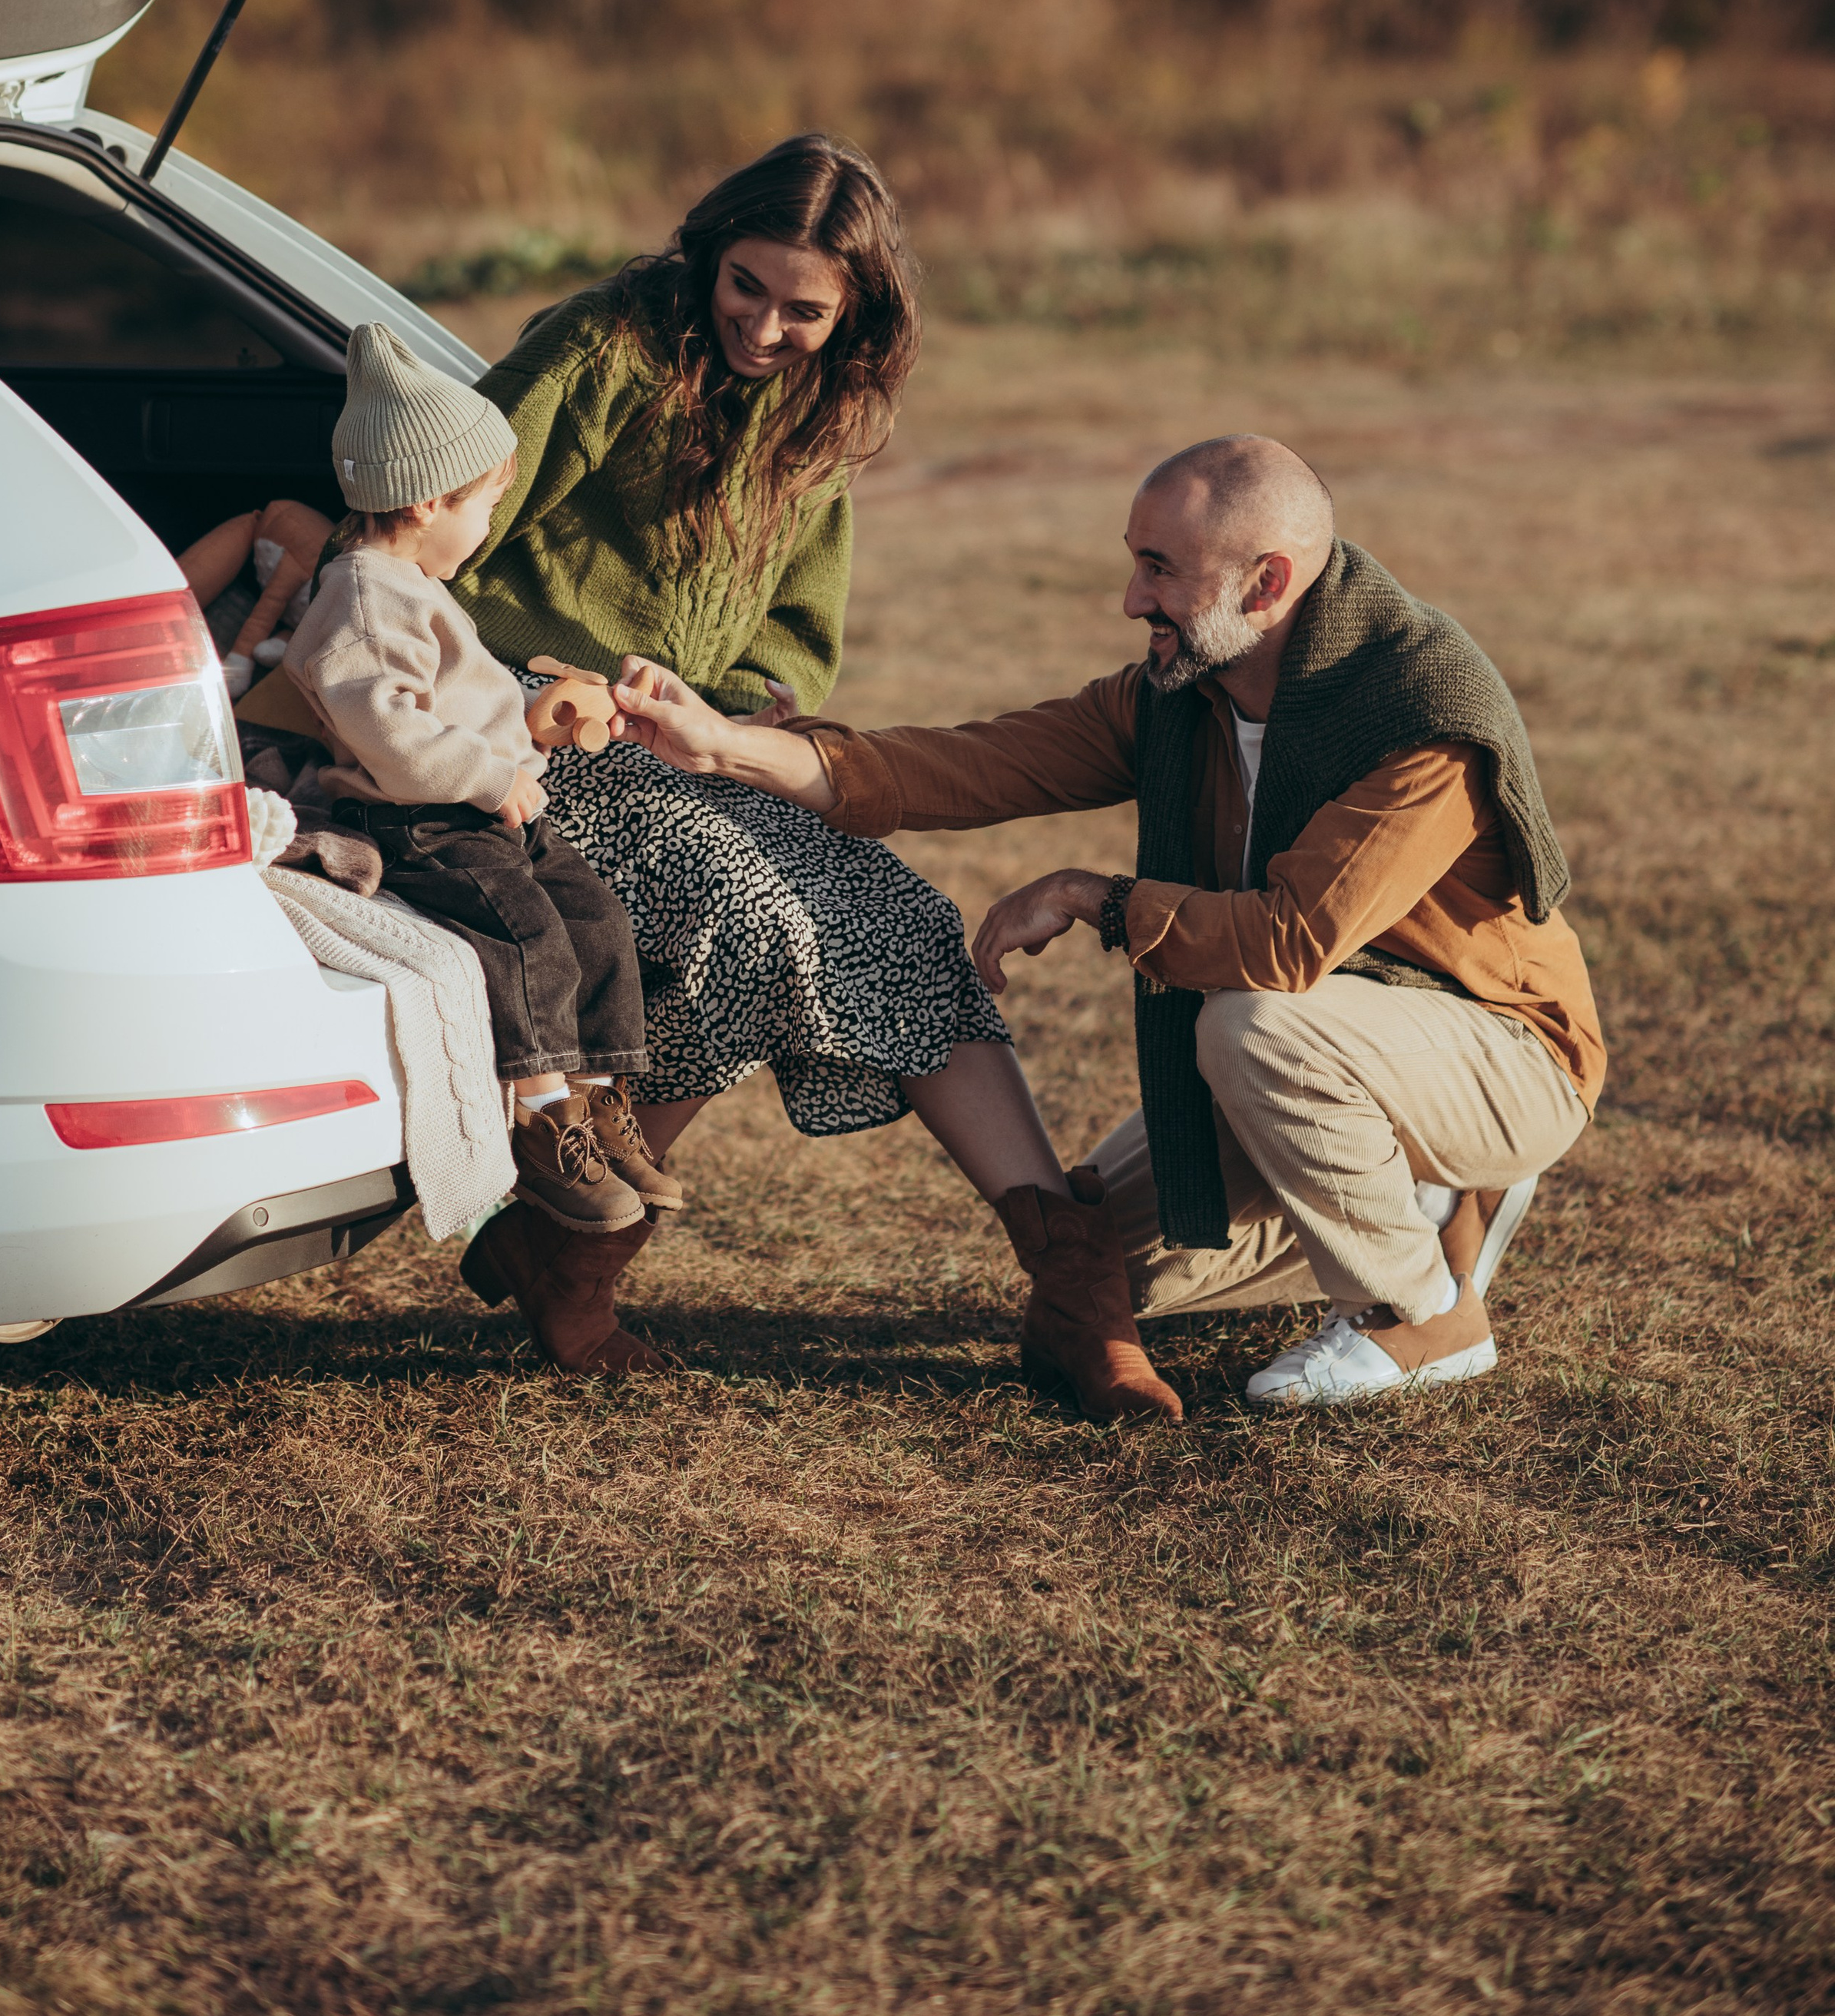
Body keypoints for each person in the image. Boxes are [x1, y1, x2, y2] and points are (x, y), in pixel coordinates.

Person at [610, 433, 1605, 1413]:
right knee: (1102, 1278)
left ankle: (1423, 1314)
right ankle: (1424, 1208)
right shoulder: (1184, 694)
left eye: (1161, 570)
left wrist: (1101, 898)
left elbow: (1287, 946)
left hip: (1500, 1054)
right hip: (1333, 1044)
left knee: (1249, 1025)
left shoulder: (1419, 713)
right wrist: (725, 746)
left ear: (1266, 585)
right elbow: (976, 765)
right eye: (1137, 561)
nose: (1133, 600)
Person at [451, 136, 1178, 1418]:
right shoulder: (604, 348)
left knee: (895, 915)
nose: (767, 328)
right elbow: (449, 516)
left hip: (685, 745)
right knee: (754, 918)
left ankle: (1073, 1286)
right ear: (706, 253)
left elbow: (795, 632)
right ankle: (577, 1248)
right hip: (529, 730)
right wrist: (527, 686)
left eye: (805, 310)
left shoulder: (815, 417)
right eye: (747, 288)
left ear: (855, 315)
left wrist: (739, 701)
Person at [281, 325, 670, 1371]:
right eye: (487, 504)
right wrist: (490, 775)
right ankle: (540, 1123)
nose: (491, 523)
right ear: (425, 502)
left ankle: (601, 1099)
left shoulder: (412, 585)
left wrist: (535, 718)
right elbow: (391, 732)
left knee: (597, 921)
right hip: (414, 819)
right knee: (527, 935)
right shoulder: (362, 595)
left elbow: (462, 699)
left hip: (489, 803)